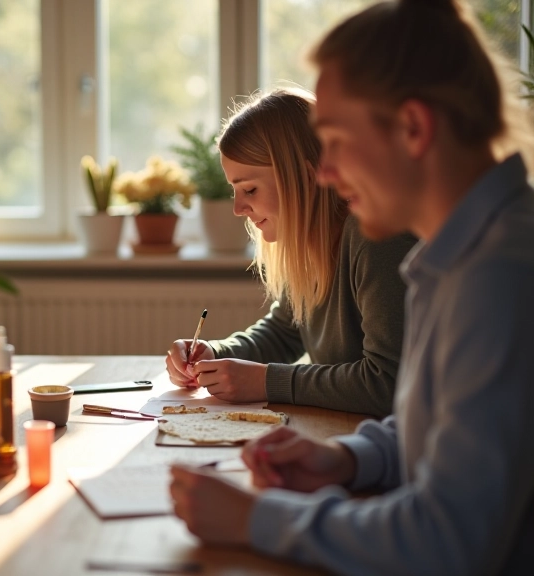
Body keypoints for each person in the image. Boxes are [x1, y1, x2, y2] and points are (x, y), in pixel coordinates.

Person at [170, 1, 534, 574]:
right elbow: (429, 428)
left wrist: (256, 520)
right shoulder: (458, 257)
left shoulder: (500, 278)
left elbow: (449, 539)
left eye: (336, 142)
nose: (323, 173)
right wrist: (346, 458)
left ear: (413, 129)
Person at [165, 88, 414, 417]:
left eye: (249, 189)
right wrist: (213, 354)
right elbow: (285, 331)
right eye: (234, 191)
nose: (238, 209)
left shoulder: (377, 238)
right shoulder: (310, 242)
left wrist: (267, 381)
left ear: (306, 178)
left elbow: (387, 383)